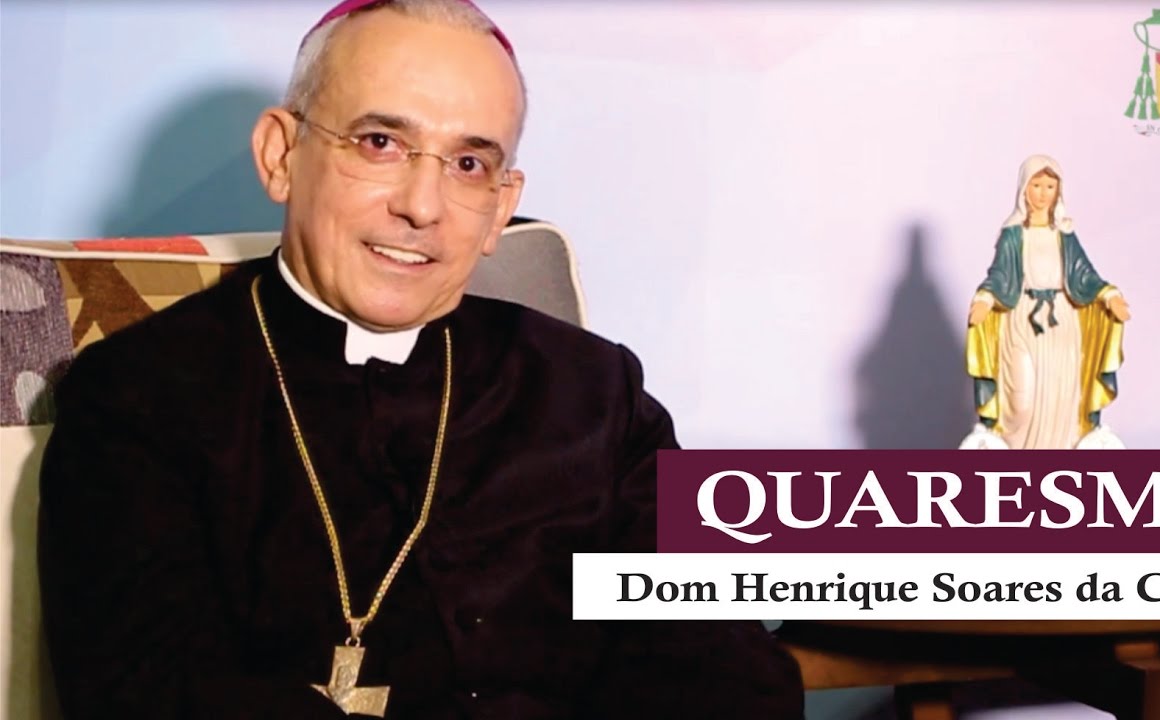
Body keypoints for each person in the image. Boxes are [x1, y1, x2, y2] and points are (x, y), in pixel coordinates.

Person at [36, 1, 804, 717]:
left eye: (469, 164)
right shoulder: (138, 397)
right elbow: (150, 693)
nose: (422, 206)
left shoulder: (598, 391)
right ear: (281, 155)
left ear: (501, 207)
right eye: (381, 143)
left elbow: (719, 655)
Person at [964, 154, 1130, 450]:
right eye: (1036, 185)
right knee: (1022, 401)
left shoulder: (1064, 234)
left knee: (1061, 396)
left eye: (1050, 186)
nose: (1043, 193)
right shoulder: (1013, 235)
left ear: (1058, 191)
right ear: (1024, 188)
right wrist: (985, 298)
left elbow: (1084, 274)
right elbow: (1000, 275)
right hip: (1022, 321)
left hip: (1062, 323)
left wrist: (1109, 295)